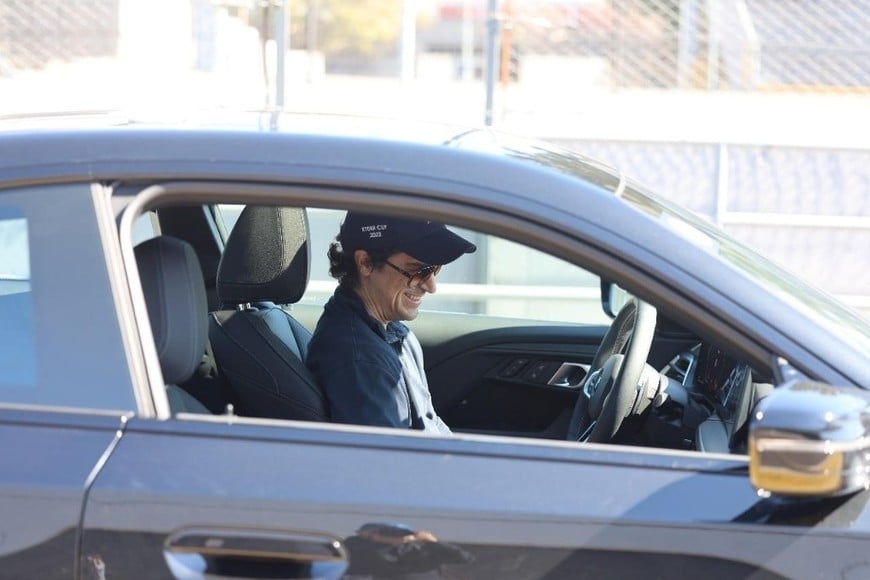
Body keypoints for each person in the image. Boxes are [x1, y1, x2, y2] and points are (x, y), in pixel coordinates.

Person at [306, 211, 476, 434]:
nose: (431, 286)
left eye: (435, 269)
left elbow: (430, 424)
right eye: (418, 270)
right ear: (365, 263)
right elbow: (386, 464)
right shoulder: (362, 362)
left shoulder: (396, 333)